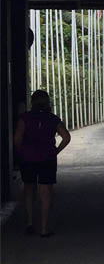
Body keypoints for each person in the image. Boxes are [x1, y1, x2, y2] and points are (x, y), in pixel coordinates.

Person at [14, 90, 70, 237]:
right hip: (47, 159)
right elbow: (66, 137)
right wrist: (56, 151)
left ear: (32, 102)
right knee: (45, 193)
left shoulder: (24, 118)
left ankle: (30, 223)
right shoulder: (53, 119)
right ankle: (44, 229)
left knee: (28, 189)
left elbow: (17, 138)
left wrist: (21, 152)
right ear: (47, 102)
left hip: (28, 159)